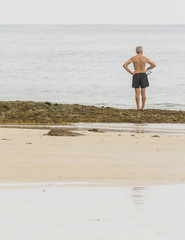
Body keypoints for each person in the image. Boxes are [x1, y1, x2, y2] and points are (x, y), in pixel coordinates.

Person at [123, 46, 156, 110]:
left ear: (136, 51)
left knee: (137, 93)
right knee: (143, 93)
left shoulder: (133, 58)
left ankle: (138, 107)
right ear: (141, 51)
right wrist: (147, 69)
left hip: (136, 74)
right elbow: (154, 65)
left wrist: (131, 72)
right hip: (143, 74)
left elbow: (124, 65)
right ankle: (143, 107)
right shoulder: (145, 58)